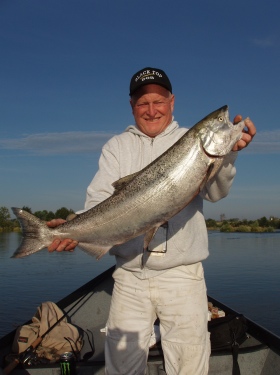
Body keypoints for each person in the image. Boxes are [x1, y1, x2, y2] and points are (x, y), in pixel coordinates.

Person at [47, 67, 256, 374]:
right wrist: (72, 228)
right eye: (142, 103)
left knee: (189, 367)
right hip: (130, 277)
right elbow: (97, 204)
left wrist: (228, 156)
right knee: (122, 368)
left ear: (172, 102)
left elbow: (215, 193)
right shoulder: (117, 147)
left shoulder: (190, 140)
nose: (151, 109)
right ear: (132, 106)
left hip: (183, 276)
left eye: (158, 101)